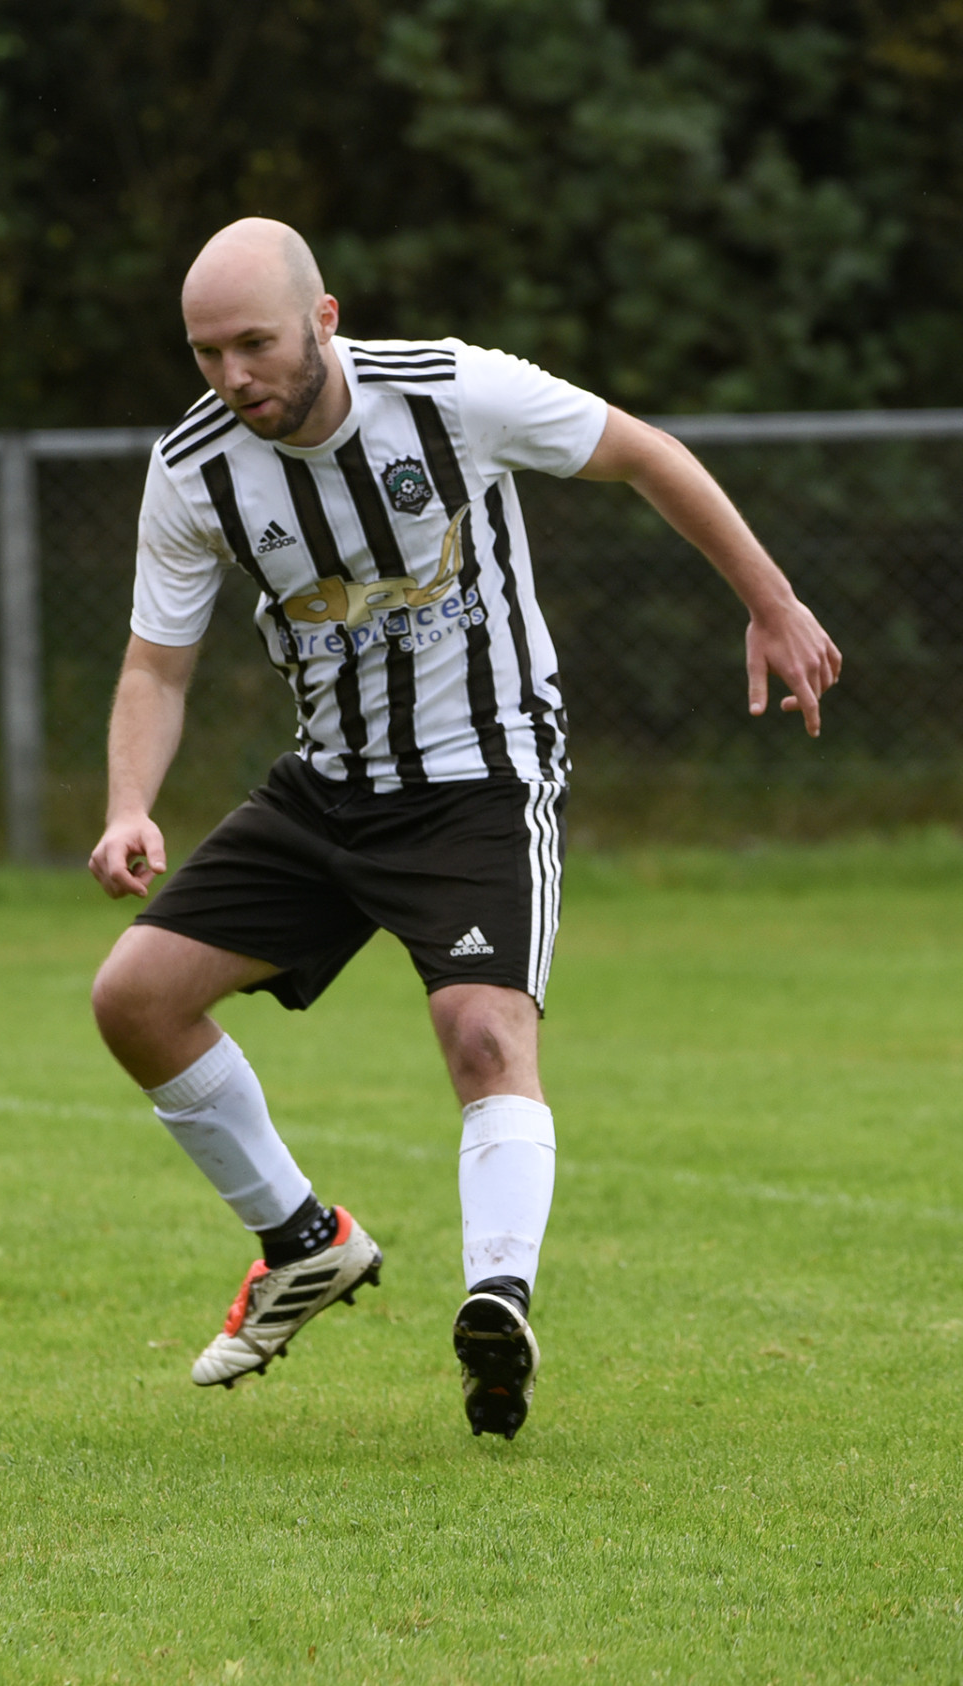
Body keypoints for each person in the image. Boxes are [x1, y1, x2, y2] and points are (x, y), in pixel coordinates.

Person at [87, 217, 840, 1439]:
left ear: (324, 320)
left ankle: (497, 1304)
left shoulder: (451, 394)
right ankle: (302, 1240)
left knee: (482, 1031)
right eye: (206, 351)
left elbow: (645, 453)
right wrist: (129, 804)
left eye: (255, 343)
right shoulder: (195, 468)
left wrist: (772, 601)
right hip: (327, 789)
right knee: (134, 998)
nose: (232, 375)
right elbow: (156, 669)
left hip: (482, 775)